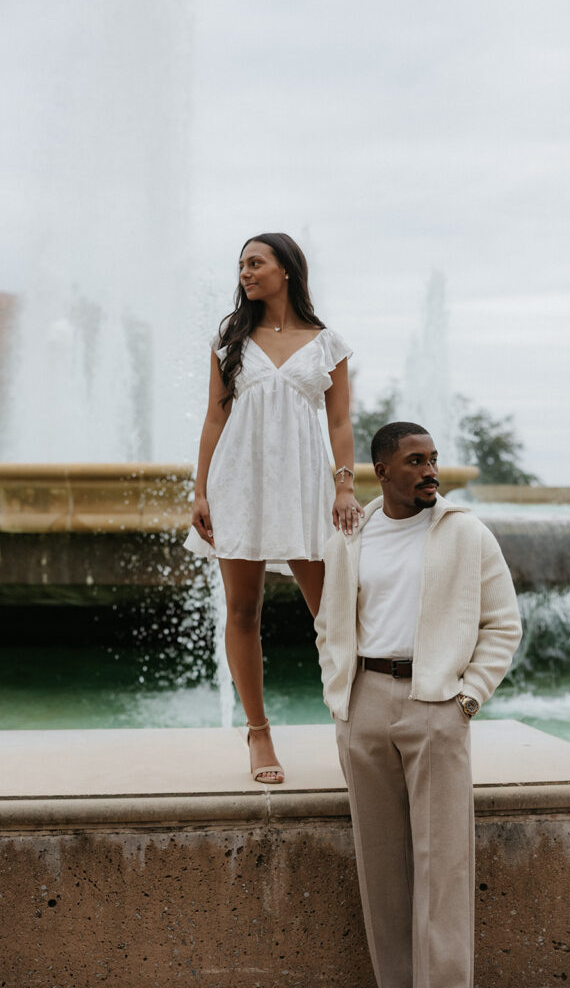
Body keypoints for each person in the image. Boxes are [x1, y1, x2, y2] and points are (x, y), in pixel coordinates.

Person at [314, 421, 522, 988]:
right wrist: (342, 694)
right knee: (380, 866)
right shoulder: (349, 536)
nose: (429, 470)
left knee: (444, 865)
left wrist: (469, 697)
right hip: (364, 703)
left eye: (432, 459)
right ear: (381, 471)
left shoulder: (467, 533)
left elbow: (503, 625)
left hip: (437, 704)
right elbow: (329, 623)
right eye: (414, 461)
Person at [185, 232, 363, 784]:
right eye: (241, 264)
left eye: (255, 262)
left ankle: (357, 728)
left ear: (285, 269)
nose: (245, 272)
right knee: (243, 610)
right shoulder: (230, 337)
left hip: (306, 485)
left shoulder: (326, 342)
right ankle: (258, 733)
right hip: (238, 481)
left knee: (333, 615)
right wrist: (200, 491)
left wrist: (344, 486)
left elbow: (339, 422)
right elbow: (215, 419)